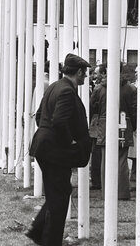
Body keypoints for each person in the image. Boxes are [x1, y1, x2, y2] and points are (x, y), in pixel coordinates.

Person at [28, 53, 92, 246]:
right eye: (85, 73)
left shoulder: (55, 86)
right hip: (55, 153)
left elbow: (40, 116)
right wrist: (70, 142)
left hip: (46, 149)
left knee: (59, 192)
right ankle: (50, 240)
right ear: (79, 72)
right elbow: (59, 121)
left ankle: (38, 232)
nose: (86, 77)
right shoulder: (66, 91)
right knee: (59, 199)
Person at [94, 64, 137, 200]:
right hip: (125, 123)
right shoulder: (130, 89)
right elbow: (134, 109)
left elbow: (93, 108)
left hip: (104, 125)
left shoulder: (99, 88)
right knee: (122, 158)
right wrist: (133, 126)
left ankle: (106, 192)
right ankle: (122, 192)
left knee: (105, 158)